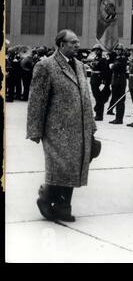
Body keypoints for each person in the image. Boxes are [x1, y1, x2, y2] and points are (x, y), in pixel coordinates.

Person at [27, 29, 97, 222]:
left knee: (73, 168)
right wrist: (34, 130)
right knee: (61, 168)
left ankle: (61, 206)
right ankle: (47, 199)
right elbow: (36, 101)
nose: (77, 45)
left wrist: (91, 126)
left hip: (79, 129)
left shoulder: (81, 66)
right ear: (61, 44)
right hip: (57, 130)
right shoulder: (46, 66)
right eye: (73, 42)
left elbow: (85, 99)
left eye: (77, 42)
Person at [109, 43, 127, 124]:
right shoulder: (116, 58)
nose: (118, 51)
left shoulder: (123, 59)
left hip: (120, 81)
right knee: (116, 99)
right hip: (115, 81)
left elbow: (115, 67)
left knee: (120, 100)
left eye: (120, 50)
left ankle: (119, 119)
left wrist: (112, 66)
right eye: (117, 50)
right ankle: (117, 118)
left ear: (122, 51)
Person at [90, 43, 109, 121]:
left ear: (100, 51)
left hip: (98, 79)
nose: (96, 51)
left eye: (97, 50)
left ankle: (99, 115)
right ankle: (97, 113)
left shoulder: (103, 59)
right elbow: (94, 67)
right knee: (96, 97)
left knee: (99, 98)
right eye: (95, 50)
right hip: (93, 79)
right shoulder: (96, 58)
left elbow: (104, 71)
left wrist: (103, 82)